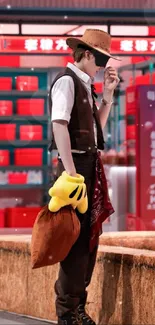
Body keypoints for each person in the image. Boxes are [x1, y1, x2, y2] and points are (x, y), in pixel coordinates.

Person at [49, 29, 120, 325]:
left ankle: (77, 308)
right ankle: (68, 313)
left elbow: (95, 131)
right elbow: (59, 124)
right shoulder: (67, 81)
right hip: (76, 165)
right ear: (88, 54)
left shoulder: (85, 85)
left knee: (88, 240)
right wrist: (71, 171)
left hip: (87, 163)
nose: (102, 67)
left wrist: (107, 98)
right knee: (75, 242)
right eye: (100, 60)